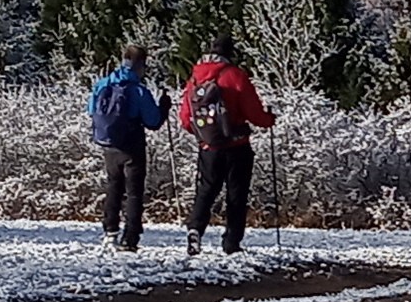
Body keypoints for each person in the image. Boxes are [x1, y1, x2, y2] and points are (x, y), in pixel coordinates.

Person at [178, 41, 276, 258]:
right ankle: (232, 241)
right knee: (236, 193)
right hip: (237, 145)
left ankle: (195, 229)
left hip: (209, 147)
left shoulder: (195, 78)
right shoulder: (235, 76)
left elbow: (185, 117)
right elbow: (254, 113)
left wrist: (204, 135)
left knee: (206, 190)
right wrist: (269, 120)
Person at [89, 45, 171, 251]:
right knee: (134, 192)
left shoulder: (102, 84)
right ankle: (130, 237)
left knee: (113, 187)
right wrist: (164, 107)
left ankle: (110, 231)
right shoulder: (138, 91)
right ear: (140, 65)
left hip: (109, 145)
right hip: (132, 146)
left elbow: (91, 111)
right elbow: (153, 121)